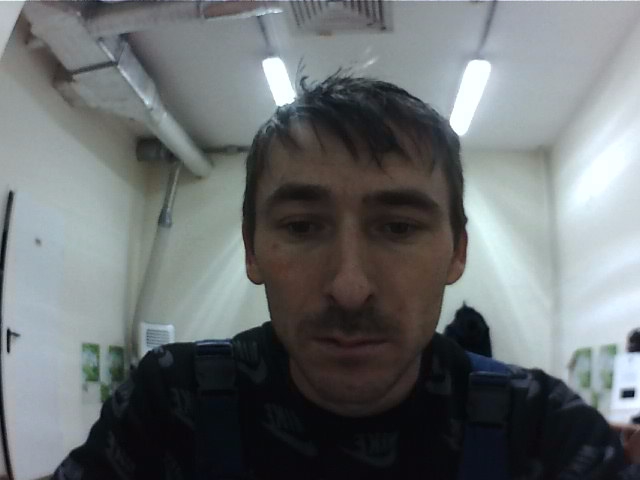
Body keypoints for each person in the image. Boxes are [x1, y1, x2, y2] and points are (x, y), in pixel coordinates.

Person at [51, 75, 639, 479]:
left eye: (399, 227)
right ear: (252, 249)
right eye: (303, 226)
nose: (350, 288)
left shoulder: (542, 430)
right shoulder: (169, 406)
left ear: (457, 251)